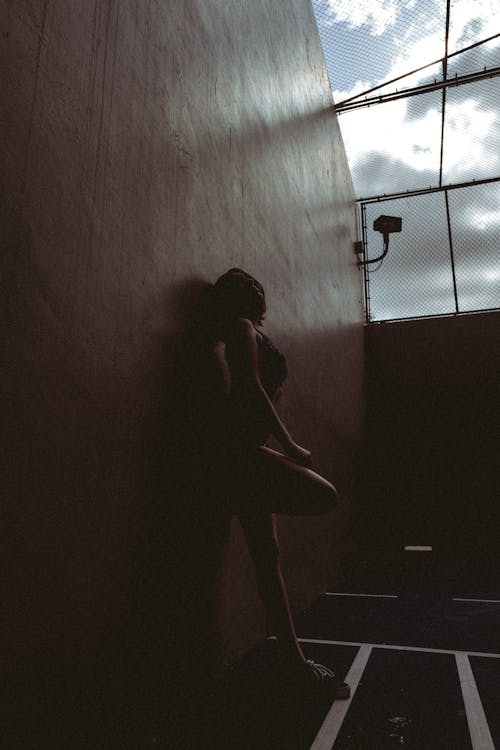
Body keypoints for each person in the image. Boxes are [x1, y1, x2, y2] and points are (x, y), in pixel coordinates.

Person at [210, 268, 350, 699]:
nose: (256, 291)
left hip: (243, 454)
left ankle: (293, 662)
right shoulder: (241, 326)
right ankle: (293, 662)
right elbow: (250, 385)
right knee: (323, 494)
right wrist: (288, 445)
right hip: (239, 451)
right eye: (248, 287)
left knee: (267, 557)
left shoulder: (245, 328)